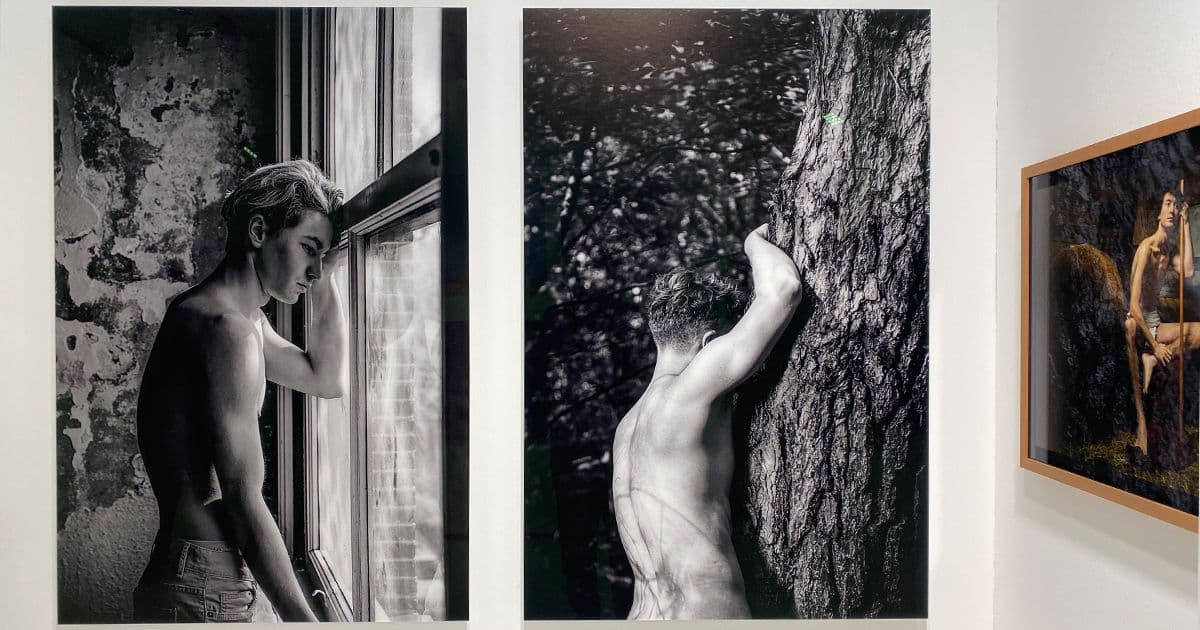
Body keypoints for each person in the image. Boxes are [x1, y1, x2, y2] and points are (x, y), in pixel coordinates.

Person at [132, 160, 347, 622]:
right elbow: (243, 499)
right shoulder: (225, 330)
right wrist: (305, 622)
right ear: (258, 231)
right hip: (203, 584)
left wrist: (325, 275)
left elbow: (326, 379)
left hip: (195, 572)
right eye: (309, 248)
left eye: (322, 257)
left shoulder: (233, 317)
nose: (313, 271)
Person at [611, 223, 802, 619]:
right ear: (710, 342)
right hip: (705, 614)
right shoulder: (691, 388)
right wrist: (753, 242)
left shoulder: (626, 428)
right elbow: (783, 290)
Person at [1124, 189, 1196, 456]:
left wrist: (1186, 223)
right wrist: (1154, 344)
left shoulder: (1168, 251)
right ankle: (1141, 423)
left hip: (1156, 326)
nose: (1172, 210)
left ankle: (1153, 360)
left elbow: (1188, 270)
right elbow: (1133, 306)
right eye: (1167, 204)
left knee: (1198, 331)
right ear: (1157, 212)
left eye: (1175, 206)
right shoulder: (1146, 249)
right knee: (1129, 325)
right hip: (1141, 327)